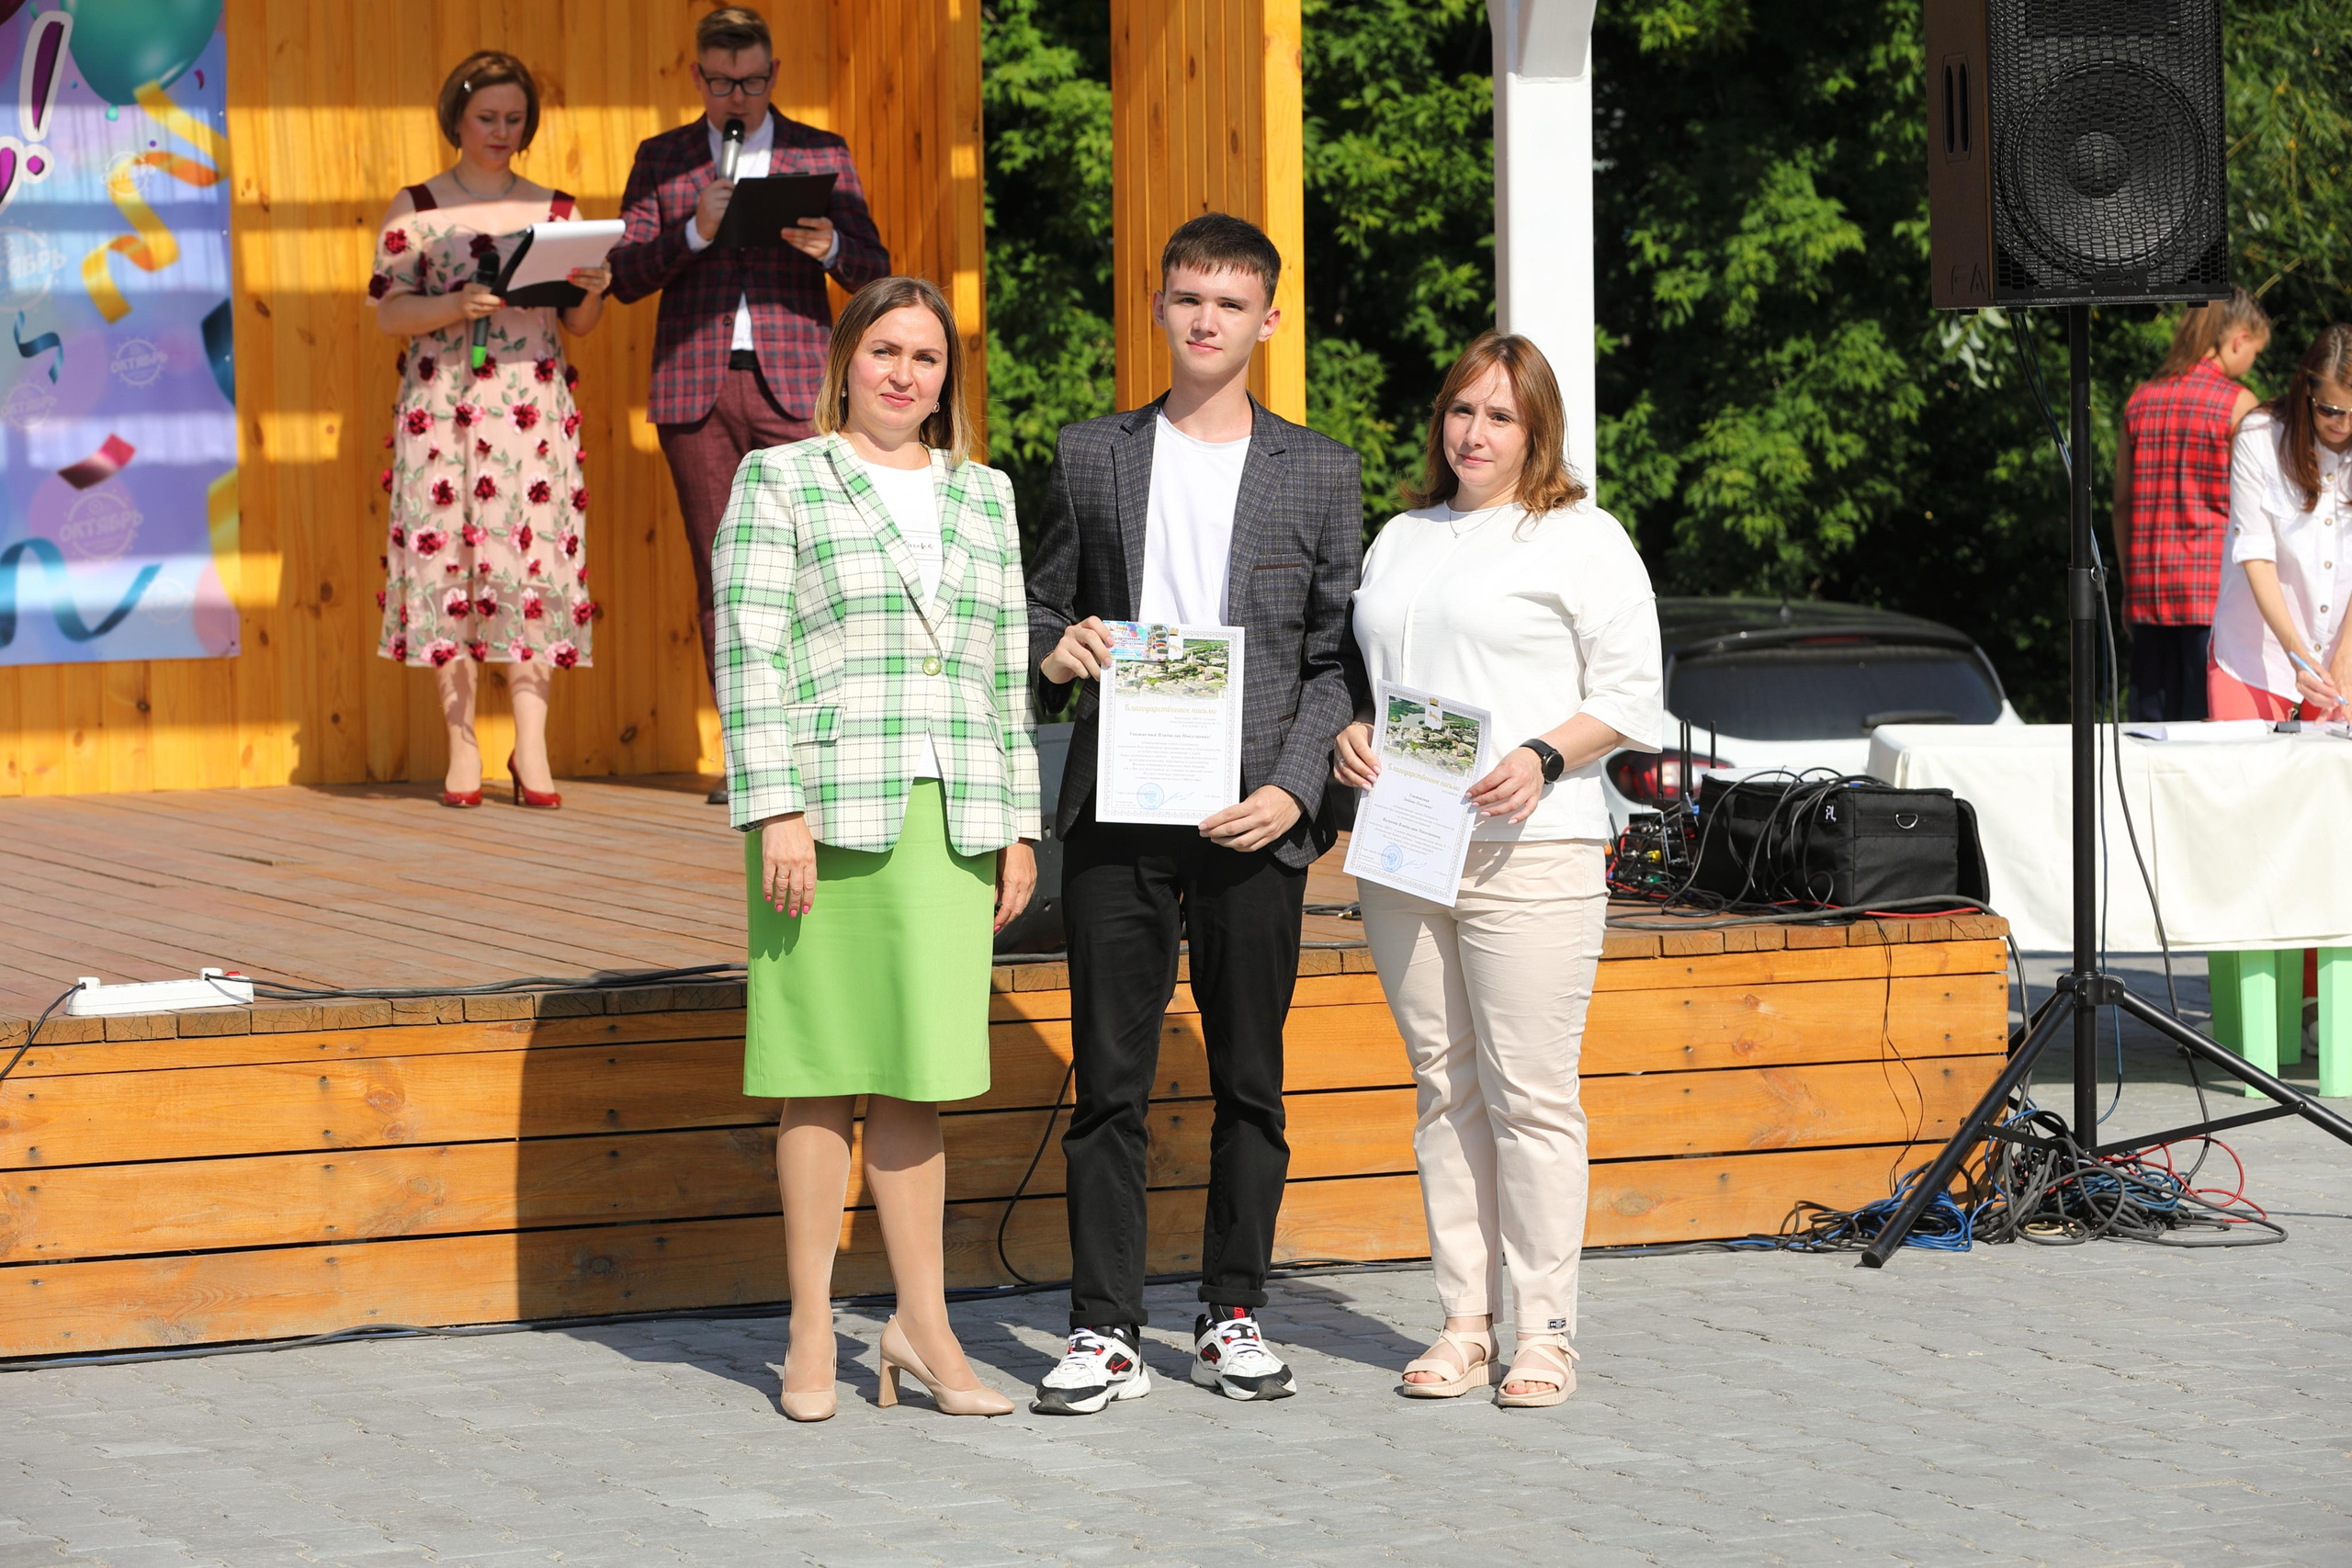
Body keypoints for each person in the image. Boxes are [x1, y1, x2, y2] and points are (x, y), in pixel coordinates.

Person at [1026, 214, 1363, 1415]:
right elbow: (1038, 607)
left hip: (1253, 814)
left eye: (1230, 301)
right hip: (1121, 812)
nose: (1206, 319)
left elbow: (1333, 658)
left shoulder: (1318, 470)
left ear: (1269, 320)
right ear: (1160, 310)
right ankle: (1104, 1327)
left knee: (1251, 1081)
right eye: (1186, 299)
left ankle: (1231, 1312)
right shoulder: (1089, 453)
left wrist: (1291, 786)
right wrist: (1055, 651)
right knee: (1110, 1079)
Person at [714, 275, 1038, 1423]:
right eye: (886, 350)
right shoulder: (781, 478)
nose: (906, 374)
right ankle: (809, 1334)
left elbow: (1005, 669)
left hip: (951, 821)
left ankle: (923, 1329)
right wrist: (774, 810)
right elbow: (746, 653)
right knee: (814, 1076)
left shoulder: (985, 495)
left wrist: (1016, 825)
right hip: (823, 816)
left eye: (929, 358)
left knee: (920, 1080)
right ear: (845, 360)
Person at [1333, 332, 1661, 1409]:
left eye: (1499, 417)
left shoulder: (1580, 536)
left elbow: (1631, 696)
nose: (1473, 433)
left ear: (1537, 432)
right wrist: (1353, 732)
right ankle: (1463, 1321)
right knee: (1443, 1088)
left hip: (1533, 848)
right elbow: (1379, 681)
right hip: (1405, 847)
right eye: (1460, 412)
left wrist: (1539, 755)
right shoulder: (1400, 536)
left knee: (1530, 1096)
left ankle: (1546, 1331)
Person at [609, 5, 892, 805]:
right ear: (698, 77)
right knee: (722, 575)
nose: (740, 94)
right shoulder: (663, 159)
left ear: (774, 76)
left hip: (796, 383)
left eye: (755, 80)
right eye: (725, 81)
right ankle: (749, 760)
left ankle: (819, 746)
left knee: (818, 570)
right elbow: (625, 274)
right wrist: (692, 233)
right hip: (695, 388)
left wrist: (828, 247)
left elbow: (875, 265)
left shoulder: (818, 151)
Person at [370, 51, 609, 809]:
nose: (501, 132)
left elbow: (579, 323)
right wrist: (454, 306)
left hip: (531, 411)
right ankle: (463, 741)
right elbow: (387, 313)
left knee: (531, 564)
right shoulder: (416, 209)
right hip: (443, 406)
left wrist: (594, 291)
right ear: (456, 120)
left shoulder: (559, 209)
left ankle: (532, 743)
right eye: (487, 119)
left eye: (514, 120)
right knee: (453, 567)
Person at [2114, 288, 2271, 722]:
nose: (2251, 363)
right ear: (2238, 340)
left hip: (2149, 594)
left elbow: (2122, 504)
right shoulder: (2239, 405)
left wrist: (2130, 590)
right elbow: (2257, 511)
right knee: (2207, 743)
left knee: (2147, 740)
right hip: (2212, 598)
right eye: (2255, 352)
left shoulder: (2140, 400)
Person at [2209, 323, 2352, 722]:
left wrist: (2345, 656)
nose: (2343, 425)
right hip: (2259, 652)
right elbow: (2255, 555)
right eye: (2331, 410)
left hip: (2343, 656)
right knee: (2246, 777)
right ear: (2307, 392)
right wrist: (2297, 654)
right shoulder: (2259, 436)